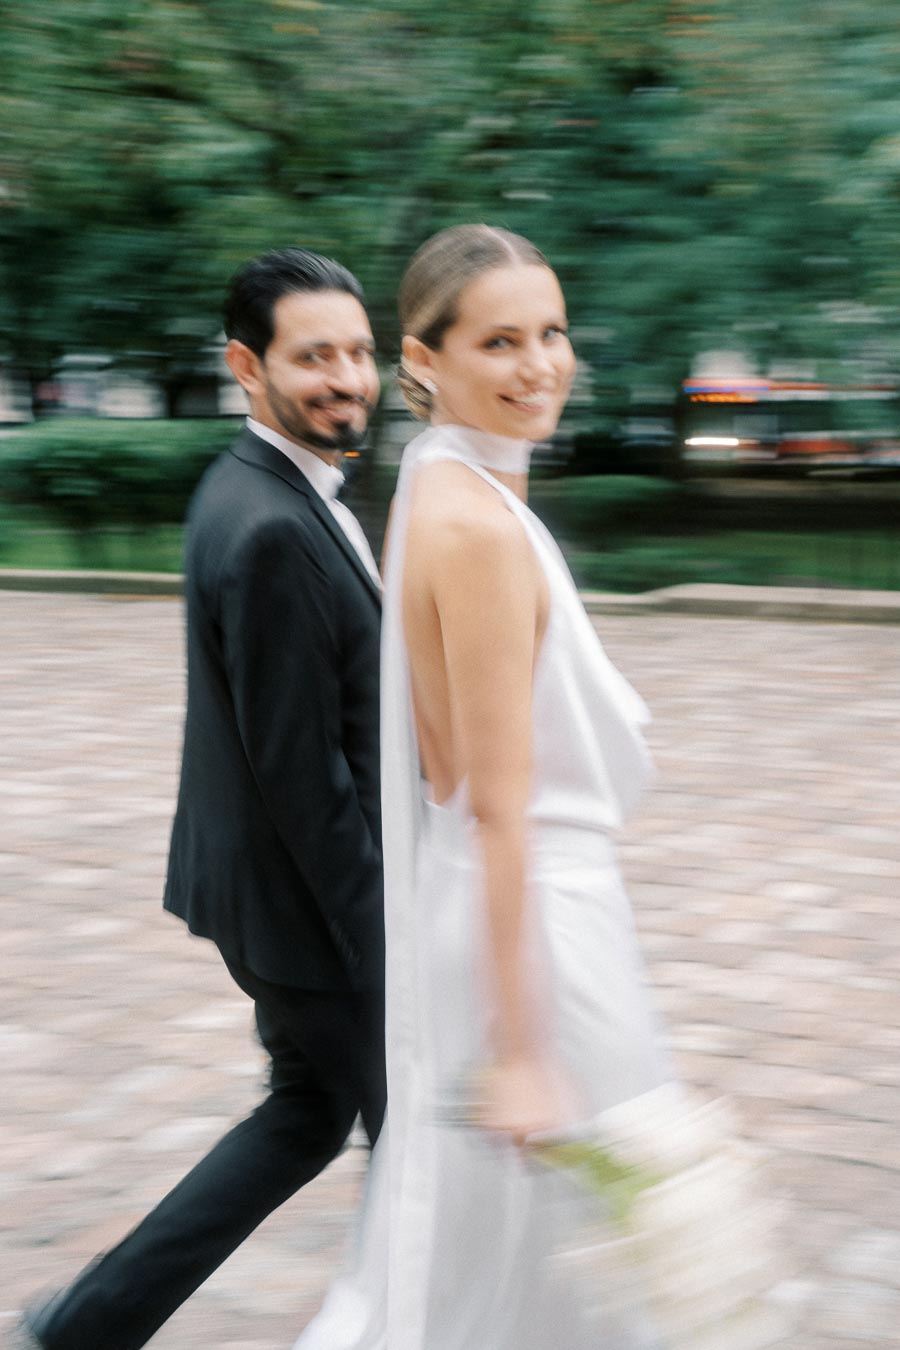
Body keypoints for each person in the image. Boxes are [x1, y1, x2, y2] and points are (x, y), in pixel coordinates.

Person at [293, 224, 672, 1350]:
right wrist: (524, 1045)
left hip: (489, 910)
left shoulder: (439, 483)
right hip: (539, 932)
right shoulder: (481, 532)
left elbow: (445, 764)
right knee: (571, 1270)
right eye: (499, 340)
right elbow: (496, 801)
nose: (540, 364)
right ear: (425, 361)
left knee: (496, 1254)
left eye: (551, 332)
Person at [20, 248, 387, 1350]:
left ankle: (83, 1326)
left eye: (358, 352)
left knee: (307, 1117)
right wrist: (387, 941)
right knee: (418, 1145)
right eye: (314, 356)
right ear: (248, 365)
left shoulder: (253, 486)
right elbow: (300, 777)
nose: (348, 378)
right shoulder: (272, 524)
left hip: (266, 899)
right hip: (311, 917)